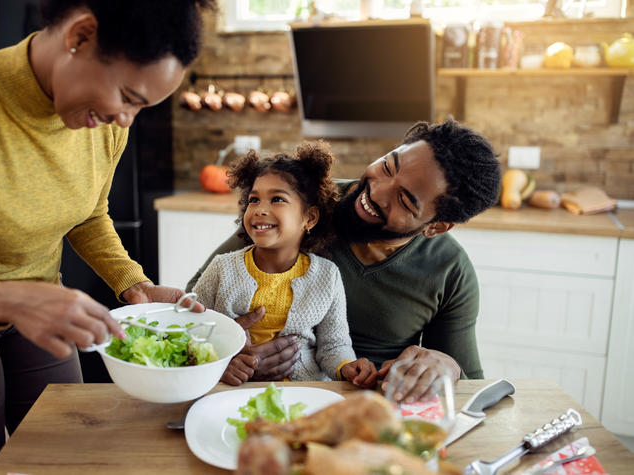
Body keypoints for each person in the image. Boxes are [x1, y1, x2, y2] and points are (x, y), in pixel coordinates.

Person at [0, 1, 215, 473]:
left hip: (40, 304)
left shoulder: (103, 124)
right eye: (128, 96)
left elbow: (87, 214)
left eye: (143, 107)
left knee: (70, 455)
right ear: (80, 36)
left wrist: (131, 284)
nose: (127, 121)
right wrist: (5, 301)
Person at [187, 118, 501, 401]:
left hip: (368, 413)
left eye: (404, 201)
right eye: (388, 166)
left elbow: (472, 389)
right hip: (250, 396)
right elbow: (196, 299)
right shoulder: (304, 204)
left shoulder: (449, 271)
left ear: (435, 227)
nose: (377, 192)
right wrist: (227, 348)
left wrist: (447, 366)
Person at [192, 143, 377, 388]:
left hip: (305, 391)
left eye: (277, 199)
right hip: (234, 389)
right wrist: (220, 362)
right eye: (254, 200)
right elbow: (192, 331)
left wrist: (347, 367)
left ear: (309, 218)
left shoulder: (327, 275)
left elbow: (334, 345)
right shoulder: (221, 269)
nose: (260, 210)